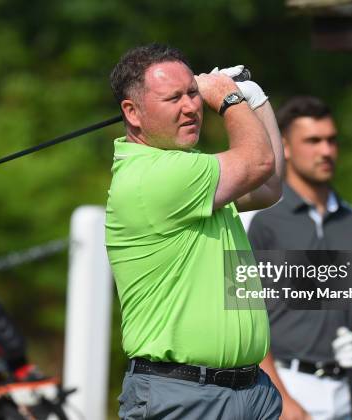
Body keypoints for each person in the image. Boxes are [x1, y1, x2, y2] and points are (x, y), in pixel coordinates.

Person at [105, 44, 284, 419]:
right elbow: (259, 162)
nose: (191, 107)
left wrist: (257, 100)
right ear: (132, 113)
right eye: (174, 98)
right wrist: (230, 98)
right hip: (183, 396)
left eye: (193, 93)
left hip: (250, 393)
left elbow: (269, 186)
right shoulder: (153, 177)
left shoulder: (189, 172)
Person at [247, 96, 352, 420]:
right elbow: (245, 319)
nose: (326, 151)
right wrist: (282, 398)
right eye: (313, 141)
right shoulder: (262, 222)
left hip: (347, 390)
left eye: (331, 140)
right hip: (283, 387)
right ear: (285, 146)